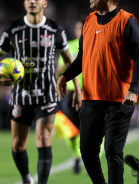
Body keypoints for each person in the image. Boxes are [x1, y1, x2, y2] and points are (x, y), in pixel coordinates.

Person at [0, 0, 82, 183]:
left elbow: (69, 61)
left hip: (47, 94)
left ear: (45, 3)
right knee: (17, 145)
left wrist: (77, 88)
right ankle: (26, 178)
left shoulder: (55, 29)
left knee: (44, 138)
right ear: (24, 3)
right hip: (20, 95)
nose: (32, 1)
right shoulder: (13, 29)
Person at [56, 0, 139, 183]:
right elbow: (82, 57)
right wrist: (65, 76)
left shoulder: (126, 21)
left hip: (119, 99)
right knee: (87, 150)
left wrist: (134, 88)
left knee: (113, 150)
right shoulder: (89, 20)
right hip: (92, 98)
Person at [56, 20, 83, 174]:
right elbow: (60, 68)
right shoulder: (69, 47)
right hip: (72, 93)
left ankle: (83, 155)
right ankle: (77, 156)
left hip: (89, 92)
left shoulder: (94, 44)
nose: (79, 30)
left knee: (88, 127)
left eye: (82, 28)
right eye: (78, 28)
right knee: (72, 129)